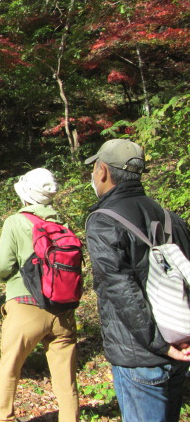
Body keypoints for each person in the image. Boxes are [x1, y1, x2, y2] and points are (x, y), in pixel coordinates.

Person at [85, 139, 190, 422]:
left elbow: (120, 289)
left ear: (103, 171)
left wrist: (157, 344)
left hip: (139, 354)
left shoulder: (103, 220)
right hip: (179, 345)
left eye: (94, 169)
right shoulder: (170, 217)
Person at [0, 168, 79, 422]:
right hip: (63, 310)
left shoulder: (16, 222)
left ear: (25, 194)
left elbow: (3, 267)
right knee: (66, 377)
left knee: (10, 367)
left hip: (26, 306)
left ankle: (4, 417)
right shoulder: (61, 224)